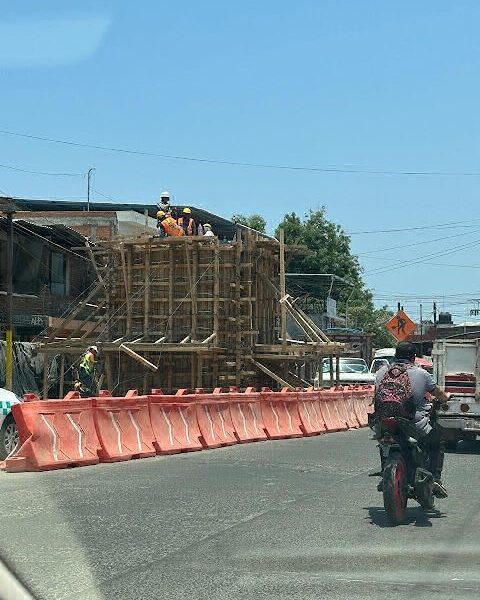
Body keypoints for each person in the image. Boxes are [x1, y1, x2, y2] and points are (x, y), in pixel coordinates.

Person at [374, 341, 449, 497]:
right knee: (437, 440)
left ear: (395, 355)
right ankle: (435, 479)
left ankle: (384, 472)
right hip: (413, 424)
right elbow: (439, 394)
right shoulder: (422, 374)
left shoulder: (381, 372)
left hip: (384, 421)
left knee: (384, 442)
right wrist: (445, 398)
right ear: (414, 357)